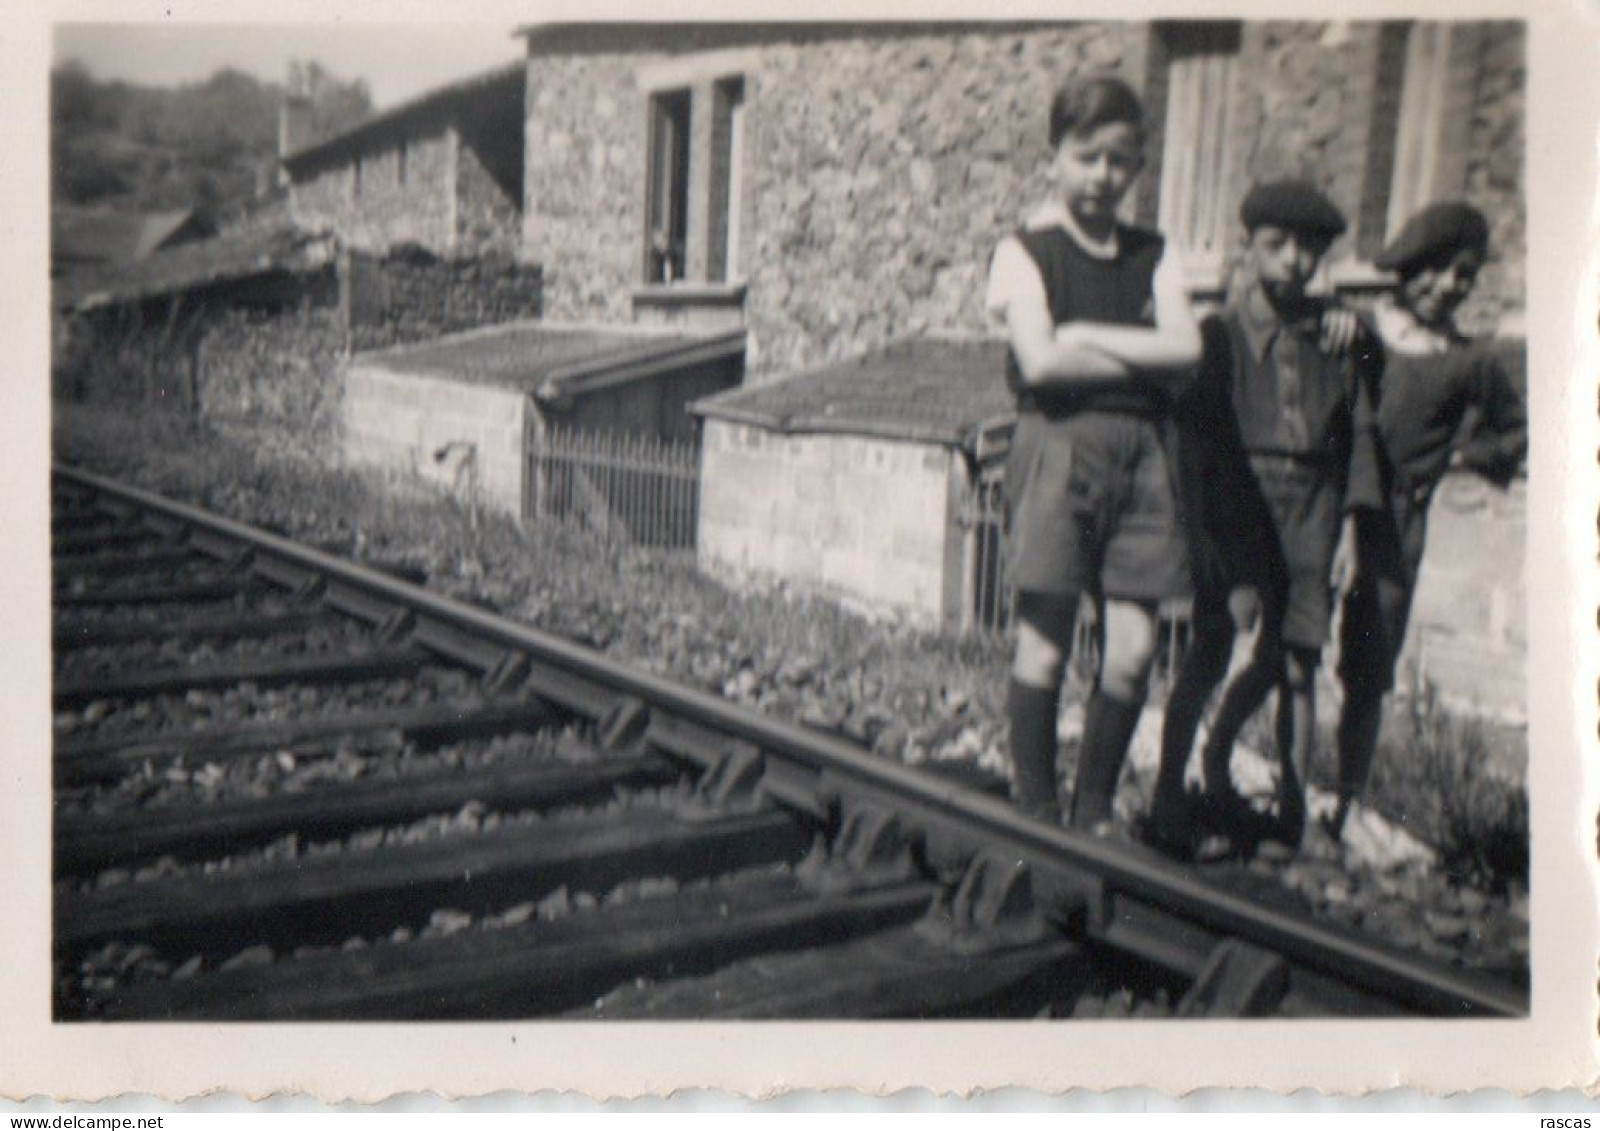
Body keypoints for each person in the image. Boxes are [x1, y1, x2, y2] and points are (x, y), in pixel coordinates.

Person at [984, 74, 1201, 831]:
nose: (1103, 177)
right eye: (1086, 157)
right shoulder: (1024, 252)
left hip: (1146, 461)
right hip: (1059, 448)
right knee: (1043, 645)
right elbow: (1040, 367)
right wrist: (1147, 359)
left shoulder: (1155, 253)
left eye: (1119, 161)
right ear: (1055, 157)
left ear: (1138, 165)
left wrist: (1086, 335)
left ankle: (1094, 810)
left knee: (1134, 652)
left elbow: (1191, 349)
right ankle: (1039, 811)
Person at [1147, 180, 1384, 856]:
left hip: (1313, 499)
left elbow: (1365, 427)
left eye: (1310, 249)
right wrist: (1205, 526)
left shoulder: (1337, 334)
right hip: (1240, 493)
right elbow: (1191, 429)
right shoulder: (1216, 334)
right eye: (1276, 245)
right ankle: (1171, 785)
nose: (1293, 260)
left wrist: (1349, 530)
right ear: (1247, 246)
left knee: (1298, 659)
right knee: (1215, 641)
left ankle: (1291, 809)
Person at [1330, 202, 1527, 840]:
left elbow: (1514, 431)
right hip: (1326, 505)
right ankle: (1283, 792)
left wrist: (1462, 458)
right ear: (1406, 269)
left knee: (1369, 663)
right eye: (1435, 271)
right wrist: (1331, 324)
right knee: (1294, 644)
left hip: (1396, 524)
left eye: (1463, 276)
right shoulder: (1361, 330)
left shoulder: (1470, 361)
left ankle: (1347, 800)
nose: (1448, 287)